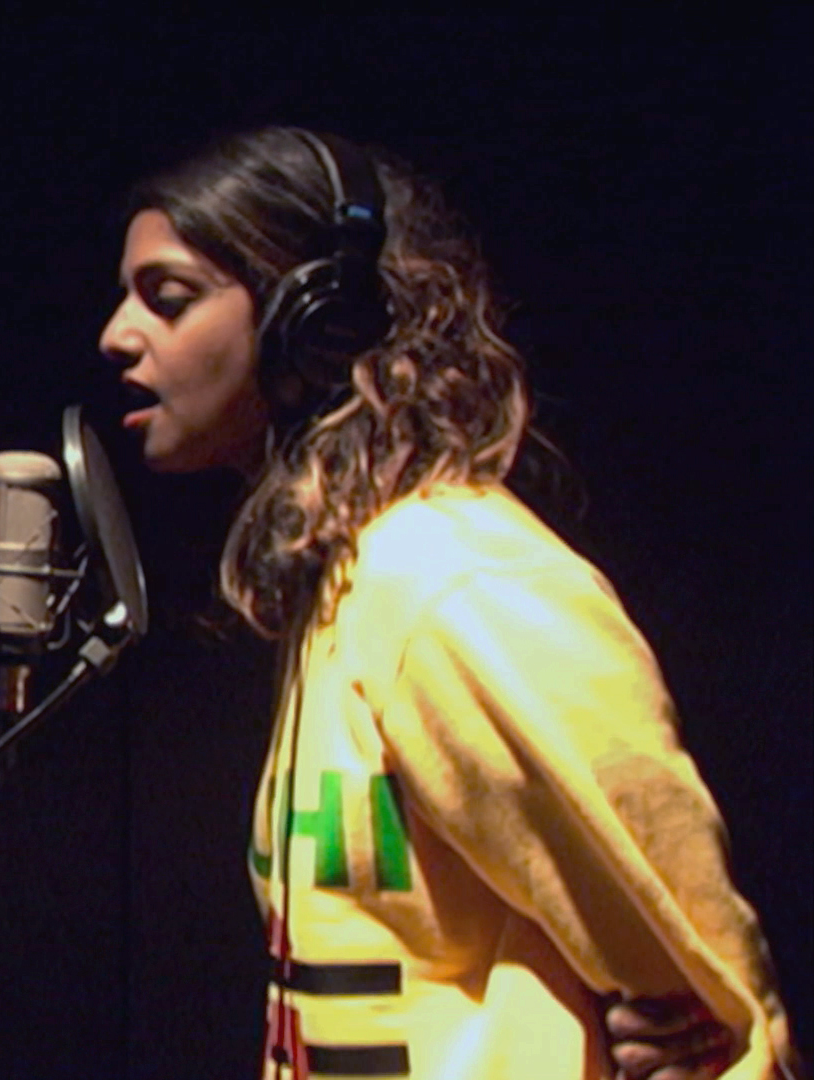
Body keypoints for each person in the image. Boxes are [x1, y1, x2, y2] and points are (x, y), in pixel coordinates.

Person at [96, 127, 798, 1080]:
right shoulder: (348, 584)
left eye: (168, 297)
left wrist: (715, 1041)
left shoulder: (454, 584)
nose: (116, 333)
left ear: (316, 319)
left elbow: (714, 1013)